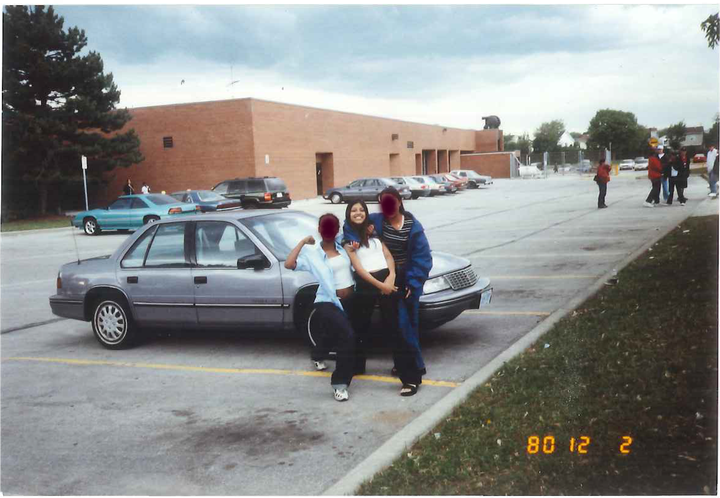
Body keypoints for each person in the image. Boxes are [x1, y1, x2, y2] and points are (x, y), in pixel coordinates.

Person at [342, 187, 432, 397]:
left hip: (398, 280)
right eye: (384, 203)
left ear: (400, 202)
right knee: (357, 325)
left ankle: (412, 374)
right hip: (369, 282)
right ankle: (354, 366)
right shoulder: (373, 225)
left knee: (400, 326)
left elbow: (414, 257)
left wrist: (398, 279)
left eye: (392, 202)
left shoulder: (410, 227)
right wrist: (351, 237)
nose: (388, 207)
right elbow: (352, 223)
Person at [285, 213, 356, 402]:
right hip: (327, 301)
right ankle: (340, 385)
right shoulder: (313, 255)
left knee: (332, 334)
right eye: (325, 227)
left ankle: (317, 355)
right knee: (347, 336)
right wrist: (302, 242)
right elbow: (289, 263)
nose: (329, 231)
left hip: (349, 300)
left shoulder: (344, 248)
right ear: (319, 230)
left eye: (333, 227)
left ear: (336, 230)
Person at [342, 200, 398, 375]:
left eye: (362, 210)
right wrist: (381, 285)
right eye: (353, 210)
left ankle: (401, 366)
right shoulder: (349, 241)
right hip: (366, 282)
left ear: (366, 213)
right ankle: (358, 366)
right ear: (348, 214)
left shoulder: (374, 234)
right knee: (360, 325)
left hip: (386, 279)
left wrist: (391, 277)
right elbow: (359, 269)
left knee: (393, 324)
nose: (358, 213)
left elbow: (388, 257)